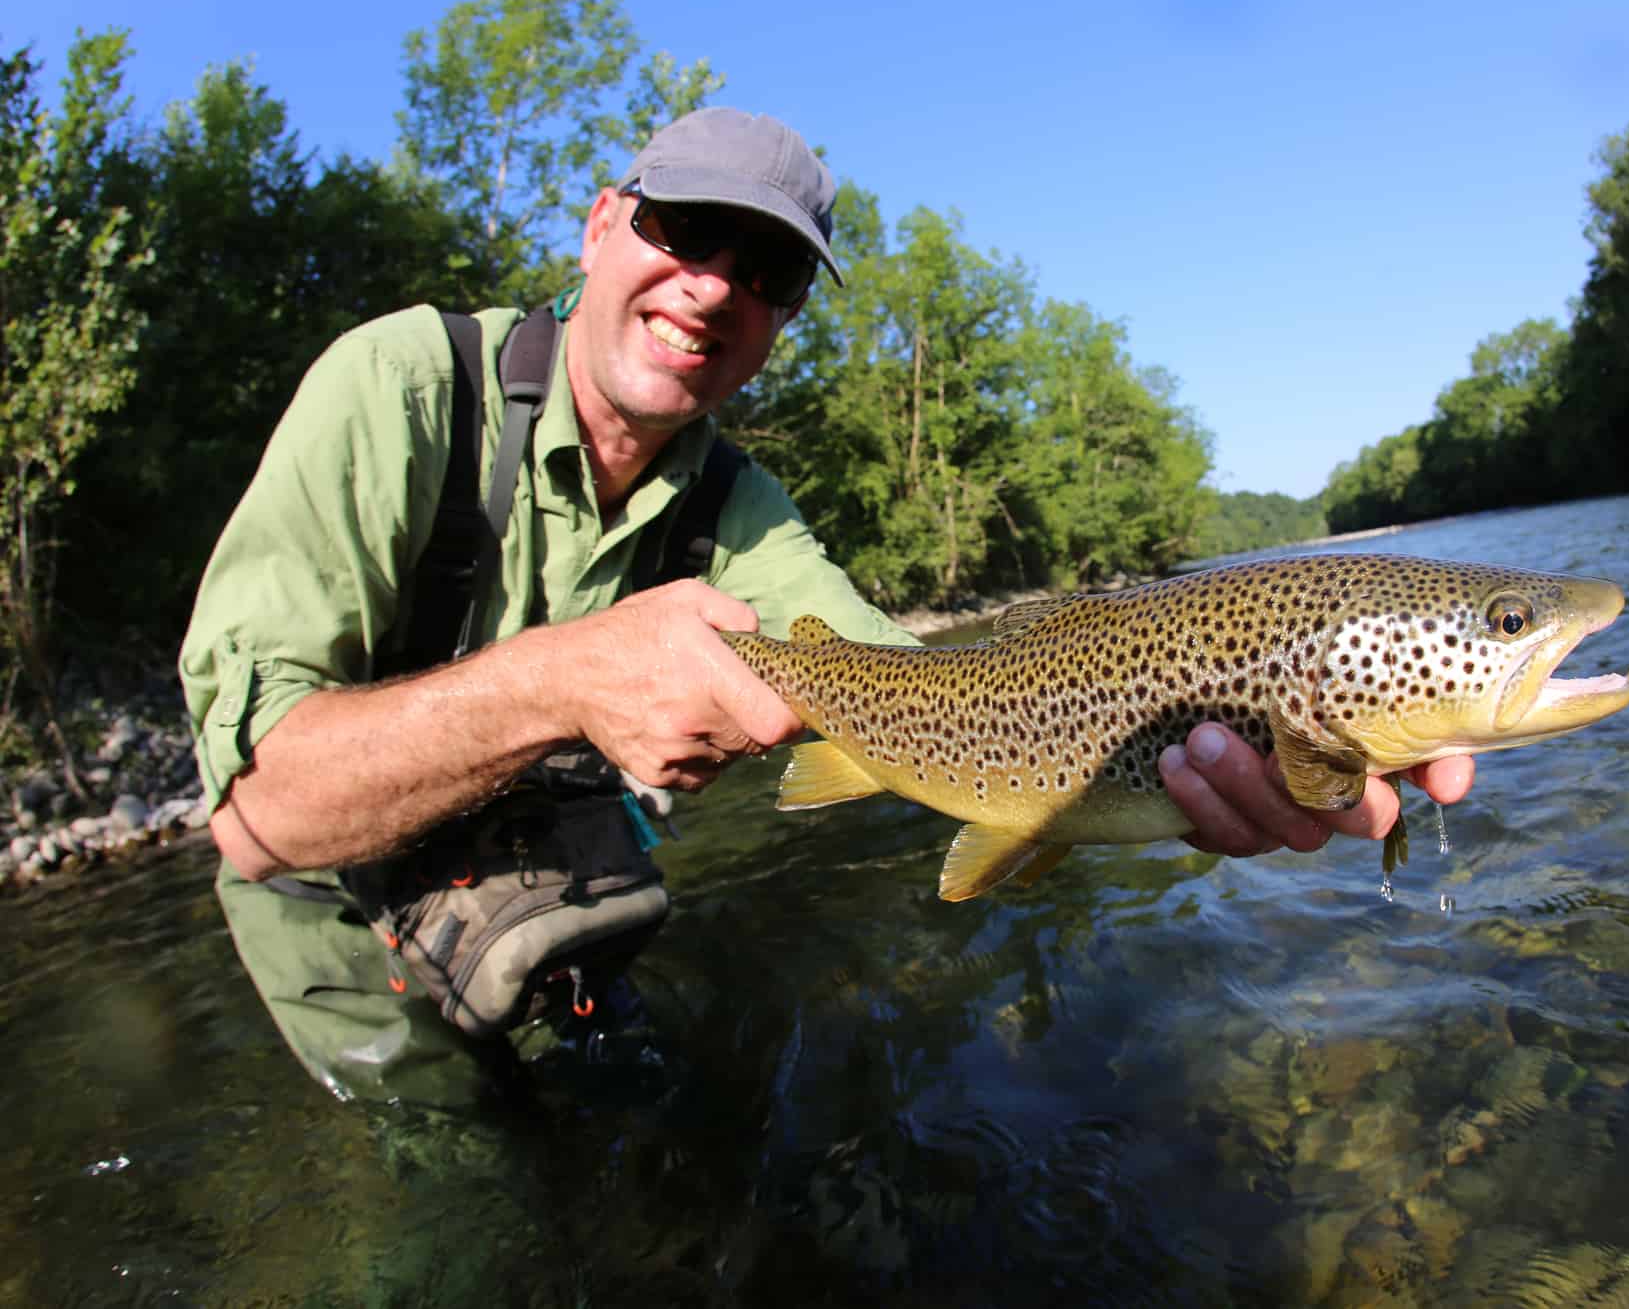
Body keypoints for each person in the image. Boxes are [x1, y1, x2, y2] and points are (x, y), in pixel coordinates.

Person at [179, 107, 1474, 1108]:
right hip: (343, 934)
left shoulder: (743, 509)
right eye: (688, 234)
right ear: (599, 224)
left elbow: (901, 680)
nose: (717, 287)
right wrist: (557, 680)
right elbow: (254, 821)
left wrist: (1220, 716)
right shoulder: (402, 389)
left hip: (554, 914)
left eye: (771, 273)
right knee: (461, 1198)